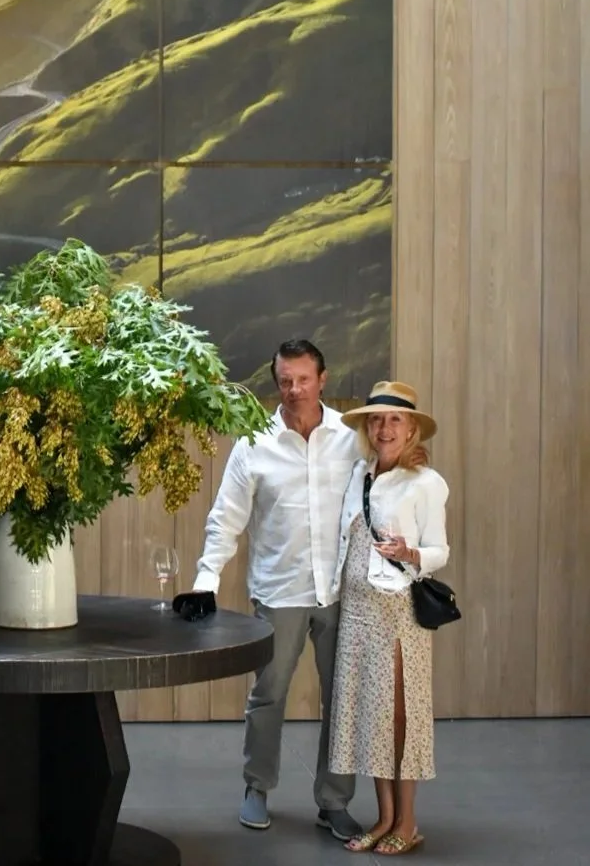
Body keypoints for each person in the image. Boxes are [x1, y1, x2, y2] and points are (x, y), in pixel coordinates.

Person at [177, 338, 367, 841]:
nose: (294, 389)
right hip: (279, 592)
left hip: (339, 591)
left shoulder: (351, 439)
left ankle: (334, 801)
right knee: (268, 695)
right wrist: (205, 582)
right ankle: (257, 787)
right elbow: (226, 519)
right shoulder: (253, 442)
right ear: (275, 382)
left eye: (304, 379)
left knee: (341, 700)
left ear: (323, 380)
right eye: (285, 380)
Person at [327, 382, 449, 856]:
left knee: (401, 716)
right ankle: (384, 819)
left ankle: (409, 821)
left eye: (395, 420)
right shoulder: (360, 473)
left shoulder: (426, 483)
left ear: (413, 428)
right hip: (357, 611)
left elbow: (440, 551)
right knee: (370, 716)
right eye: (376, 419)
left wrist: (410, 552)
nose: (384, 428)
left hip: (398, 611)